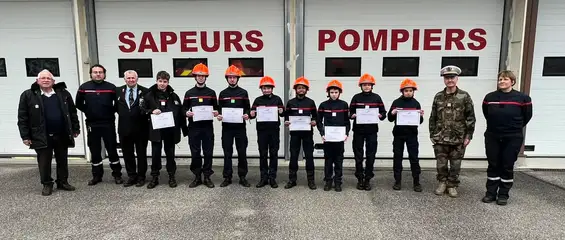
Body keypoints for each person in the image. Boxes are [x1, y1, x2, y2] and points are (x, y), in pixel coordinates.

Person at [17, 69, 80, 196]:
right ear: (37, 81)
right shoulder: (28, 95)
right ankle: (47, 184)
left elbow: (72, 112)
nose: (46, 80)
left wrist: (75, 128)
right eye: (43, 78)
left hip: (61, 133)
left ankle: (62, 182)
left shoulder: (63, 94)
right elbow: (22, 117)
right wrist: (25, 136)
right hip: (41, 135)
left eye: (48, 78)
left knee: (62, 160)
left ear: (53, 81)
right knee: (44, 162)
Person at [481, 70, 532, 206]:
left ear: (512, 82)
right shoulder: (489, 97)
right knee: (493, 164)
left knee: (507, 164)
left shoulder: (523, 98)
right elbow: (487, 113)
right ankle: (490, 193)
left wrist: (513, 127)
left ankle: (503, 194)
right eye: (500, 79)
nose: (502, 82)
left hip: (513, 137)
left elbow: (527, 116)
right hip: (493, 135)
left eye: (505, 79)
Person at [429, 65, 476, 198]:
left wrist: (469, 136)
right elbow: (433, 117)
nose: (450, 80)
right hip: (441, 136)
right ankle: (442, 182)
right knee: (441, 163)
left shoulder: (464, 96)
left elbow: (470, 117)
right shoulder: (438, 96)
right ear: (444, 79)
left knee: (456, 163)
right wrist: (432, 134)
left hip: (458, 137)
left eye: (452, 77)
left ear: (457, 78)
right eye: (447, 78)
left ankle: (452, 185)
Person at [76, 64, 123, 185]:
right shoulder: (84, 87)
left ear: (104, 74)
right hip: (92, 123)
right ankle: (97, 176)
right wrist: (89, 111)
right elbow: (79, 103)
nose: (98, 74)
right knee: (95, 150)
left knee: (112, 149)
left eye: (100, 72)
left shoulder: (111, 87)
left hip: (108, 123)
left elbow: (118, 104)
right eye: (95, 72)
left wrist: (110, 111)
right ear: (91, 74)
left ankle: (117, 175)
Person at [140, 71, 188, 189]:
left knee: (170, 154)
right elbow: (141, 110)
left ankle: (171, 176)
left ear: (168, 82)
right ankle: (154, 177)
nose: (162, 84)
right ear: (156, 81)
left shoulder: (173, 96)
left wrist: (184, 129)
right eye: (160, 81)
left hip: (170, 131)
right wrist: (151, 111)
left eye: (165, 82)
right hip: (156, 131)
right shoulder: (148, 95)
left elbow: (180, 113)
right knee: (156, 154)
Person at [183, 63, 219, 188]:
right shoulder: (189, 93)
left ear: (206, 77)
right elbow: (183, 109)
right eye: (198, 75)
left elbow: (217, 108)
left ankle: (207, 176)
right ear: (195, 76)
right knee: (195, 152)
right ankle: (197, 176)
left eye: (203, 76)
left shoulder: (211, 92)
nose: (200, 78)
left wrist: (216, 112)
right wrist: (186, 113)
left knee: (208, 152)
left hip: (207, 127)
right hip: (194, 128)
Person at [349, 73, 387, 191]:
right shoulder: (356, 97)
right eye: (364, 85)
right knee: (358, 155)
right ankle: (360, 179)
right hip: (358, 131)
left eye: (368, 85)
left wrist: (381, 115)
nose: (366, 87)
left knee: (371, 155)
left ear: (372, 86)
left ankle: (368, 179)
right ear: (361, 86)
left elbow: (384, 113)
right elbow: (350, 113)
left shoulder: (377, 98)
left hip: (372, 131)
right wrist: (352, 115)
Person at [216, 65, 251, 187]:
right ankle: (227, 177)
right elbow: (219, 109)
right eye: (230, 77)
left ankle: (242, 177)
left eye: (234, 77)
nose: (232, 79)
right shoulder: (222, 93)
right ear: (227, 79)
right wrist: (219, 115)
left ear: (237, 78)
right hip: (227, 129)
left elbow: (247, 108)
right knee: (227, 153)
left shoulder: (243, 92)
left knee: (242, 152)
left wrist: (247, 114)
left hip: (240, 129)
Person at [387, 78, 424, 192]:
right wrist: (392, 113)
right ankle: (397, 181)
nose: (408, 92)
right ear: (402, 91)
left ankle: (416, 182)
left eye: (410, 90)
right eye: (406, 90)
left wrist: (421, 116)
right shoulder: (396, 102)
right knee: (397, 158)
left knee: (414, 158)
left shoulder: (416, 103)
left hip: (412, 135)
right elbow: (389, 118)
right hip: (398, 135)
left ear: (413, 91)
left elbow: (420, 121)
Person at [115, 70, 149, 187]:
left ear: (137, 79)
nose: (131, 80)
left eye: (133, 78)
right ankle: (131, 176)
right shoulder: (118, 91)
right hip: (124, 128)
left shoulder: (145, 91)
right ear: (125, 79)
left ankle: (141, 177)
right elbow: (115, 107)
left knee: (141, 154)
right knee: (127, 154)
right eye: (128, 78)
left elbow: (149, 107)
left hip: (141, 129)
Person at [250, 76, 285, 188]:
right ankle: (263, 178)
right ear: (261, 89)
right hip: (262, 132)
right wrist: (252, 114)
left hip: (274, 131)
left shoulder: (277, 99)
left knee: (274, 154)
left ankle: (272, 178)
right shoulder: (257, 100)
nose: (266, 90)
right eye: (264, 88)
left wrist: (281, 111)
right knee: (263, 154)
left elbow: (283, 114)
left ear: (272, 88)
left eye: (268, 88)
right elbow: (252, 114)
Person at [283, 77, 318, 190]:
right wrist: (287, 121)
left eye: (303, 88)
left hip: (308, 133)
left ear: (306, 90)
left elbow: (315, 116)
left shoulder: (311, 102)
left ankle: (311, 181)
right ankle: (292, 180)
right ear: (296, 89)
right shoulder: (290, 102)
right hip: (295, 134)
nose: (301, 90)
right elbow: (286, 115)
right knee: (293, 156)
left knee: (309, 156)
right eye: (299, 88)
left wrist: (314, 121)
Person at [317, 79, 350, 192]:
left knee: (339, 160)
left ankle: (338, 182)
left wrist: (346, 133)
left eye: (336, 92)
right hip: (328, 139)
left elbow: (347, 121)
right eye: (332, 92)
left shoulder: (344, 105)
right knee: (328, 160)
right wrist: (322, 133)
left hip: (339, 139)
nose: (334, 94)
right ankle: (328, 181)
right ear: (328, 93)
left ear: (339, 93)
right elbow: (318, 121)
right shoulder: (323, 105)